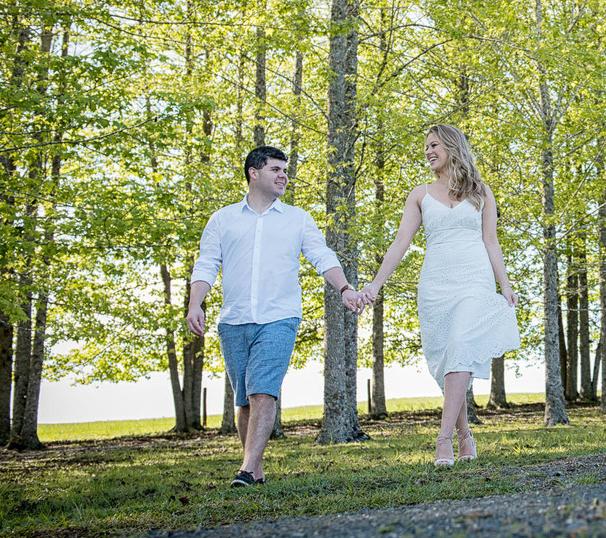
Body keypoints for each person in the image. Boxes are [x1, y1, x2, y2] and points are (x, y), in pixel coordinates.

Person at [186, 146, 366, 487]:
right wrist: (196, 304)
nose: (284, 175)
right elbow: (207, 264)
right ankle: (254, 469)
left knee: (263, 392)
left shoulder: (297, 219)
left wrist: (344, 289)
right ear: (254, 173)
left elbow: (321, 255)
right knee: (245, 401)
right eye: (275, 169)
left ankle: (245, 470)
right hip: (233, 320)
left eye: (285, 170)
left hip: (280, 317)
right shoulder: (222, 219)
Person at [363, 124, 519, 466]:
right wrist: (375, 285)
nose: (428, 151)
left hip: (474, 282)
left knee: (462, 347)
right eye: (426, 147)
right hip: (435, 286)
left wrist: (504, 284)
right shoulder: (419, 194)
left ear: (451, 146)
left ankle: (443, 440)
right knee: (449, 360)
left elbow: (491, 241)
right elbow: (401, 242)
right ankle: (465, 437)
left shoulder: (481, 193)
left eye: (434, 145)